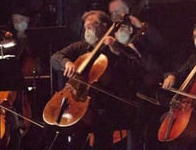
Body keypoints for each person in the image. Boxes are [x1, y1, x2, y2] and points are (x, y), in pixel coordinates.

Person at [49, 10, 144, 150]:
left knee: (100, 125)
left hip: (107, 104)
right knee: (60, 129)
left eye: (90, 27)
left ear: (103, 26)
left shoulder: (116, 47)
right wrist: (66, 62)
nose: (86, 31)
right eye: (85, 27)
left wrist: (117, 50)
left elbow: (136, 69)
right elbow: (55, 57)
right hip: (79, 99)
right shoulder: (81, 47)